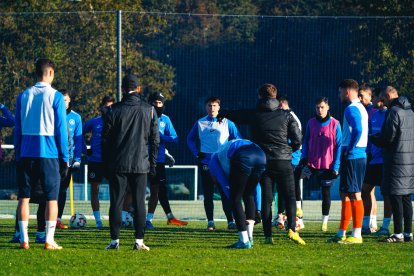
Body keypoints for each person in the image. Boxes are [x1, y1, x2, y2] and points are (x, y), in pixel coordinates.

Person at [218, 83, 305, 245]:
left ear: (259, 96)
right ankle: (292, 230)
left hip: (264, 162)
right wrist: (289, 149)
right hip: (284, 161)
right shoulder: (287, 115)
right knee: (290, 196)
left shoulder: (254, 114)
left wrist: (223, 113)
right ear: (276, 97)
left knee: (267, 199)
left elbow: (237, 115)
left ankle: (267, 237)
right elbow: (298, 139)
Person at [14, 58, 69, 250]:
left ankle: (24, 240)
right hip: (49, 153)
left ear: (35, 73)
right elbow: (61, 130)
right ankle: (49, 240)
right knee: (51, 198)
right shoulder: (56, 97)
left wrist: (18, 152)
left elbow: (17, 128)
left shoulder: (23, 96)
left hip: (27, 153)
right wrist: (65, 157)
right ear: (51, 73)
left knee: (24, 198)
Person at [102, 73, 159, 250]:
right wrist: (153, 164)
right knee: (140, 202)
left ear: (123, 89)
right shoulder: (149, 110)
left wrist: (107, 163)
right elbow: (155, 140)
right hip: (141, 164)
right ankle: (139, 241)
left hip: (118, 164)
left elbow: (105, 140)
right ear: (139, 89)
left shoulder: (113, 110)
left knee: (116, 202)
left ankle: (115, 241)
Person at [187, 96, 240, 230]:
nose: (212, 108)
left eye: (215, 106)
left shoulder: (227, 122)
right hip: (206, 162)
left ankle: (230, 221)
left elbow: (237, 139)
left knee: (225, 192)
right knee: (208, 193)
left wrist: (231, 153)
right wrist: (197, 153)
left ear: (219, 107)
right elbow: (190, 139)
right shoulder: (200, 122)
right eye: (209, 106)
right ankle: (210, 222)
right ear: (206, 107)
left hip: (223, 162)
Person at [371, 86, 414, 242]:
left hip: (396, 160)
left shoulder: (394, 112)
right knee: (406, 197)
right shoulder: (410, 112)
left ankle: (397, 233)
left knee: (395, 196)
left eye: (383, 98)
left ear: (389, 96)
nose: (382, 102)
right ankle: (408, 233)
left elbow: (388, 138)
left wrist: (374, 138)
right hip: (409, 161)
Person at [329, 79, 368, 244]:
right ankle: (341, 232)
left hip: (354, 156)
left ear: (347, 91)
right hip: (356, 155)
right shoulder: (360, 108)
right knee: (345, 193)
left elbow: (358, 130)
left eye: (340, 92)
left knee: (354, 194)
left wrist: (350, 148)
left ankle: (357, 234)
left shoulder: (351, 109)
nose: (339, 96)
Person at [209, 139, 266, 249]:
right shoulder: (224, 152)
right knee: (248, 195)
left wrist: (233, 202)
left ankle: (244, 241)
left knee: (235, 198)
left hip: (244, 155)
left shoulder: (213, 162)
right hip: (261, 155)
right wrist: (258, 209)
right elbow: (257, 188)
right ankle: (250, 238)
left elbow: (226, 187)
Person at [145, 91, 188, 229]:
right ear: (150, 103)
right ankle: (128, 216)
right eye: (155, 102)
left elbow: (175, 138)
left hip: (158, 161)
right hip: (142, 159)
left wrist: (162, 137)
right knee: (134, 190)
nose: (157, 105)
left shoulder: (166, 119)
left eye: (160, 103)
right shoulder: (143, 116)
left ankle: (149, 219)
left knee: (157, 190)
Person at [300, 97, 342, 232]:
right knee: (296, 182)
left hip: (327, 167)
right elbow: (305, 141)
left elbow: (339, 146)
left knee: (325, 194)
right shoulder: (311, 123)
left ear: (328, 107)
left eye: (322, 107)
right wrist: (304, 157)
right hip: (311, 165)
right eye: (317, 107)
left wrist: (335, 166)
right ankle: (298, 217)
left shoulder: (335, 124)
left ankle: (324, 222)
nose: (319, 110)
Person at [83, 95, 114, 229]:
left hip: (111, 161)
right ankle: (98, 221)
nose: (108, 109)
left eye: (111, 107)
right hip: (95, 161)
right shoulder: (94, 122)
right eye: (106, 107)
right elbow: (79, 134)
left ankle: (116, 218)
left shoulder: (117, 122)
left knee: (116, 191)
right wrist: (85, 149)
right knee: (95, 190)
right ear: (101, 107)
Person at [274, 95, 304, 230]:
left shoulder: (290, 117)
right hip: (287, 157)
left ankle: (298, 220)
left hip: (292, 158)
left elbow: (296, 140)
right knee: (282, 188)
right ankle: (281, 217)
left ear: (280, 105)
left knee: (291, 189)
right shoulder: (288, 116)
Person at [56, 89, 82, 229]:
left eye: (66, 100)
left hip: (69, 160)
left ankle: (58, 219)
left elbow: (78, 140)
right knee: (50, 189)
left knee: (62, 190)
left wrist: (77, 159)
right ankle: (45, 219)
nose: (64, 103)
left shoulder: (76, 118)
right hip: (53, 158)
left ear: (70, 100)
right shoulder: (53, 115)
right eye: (61, 100)